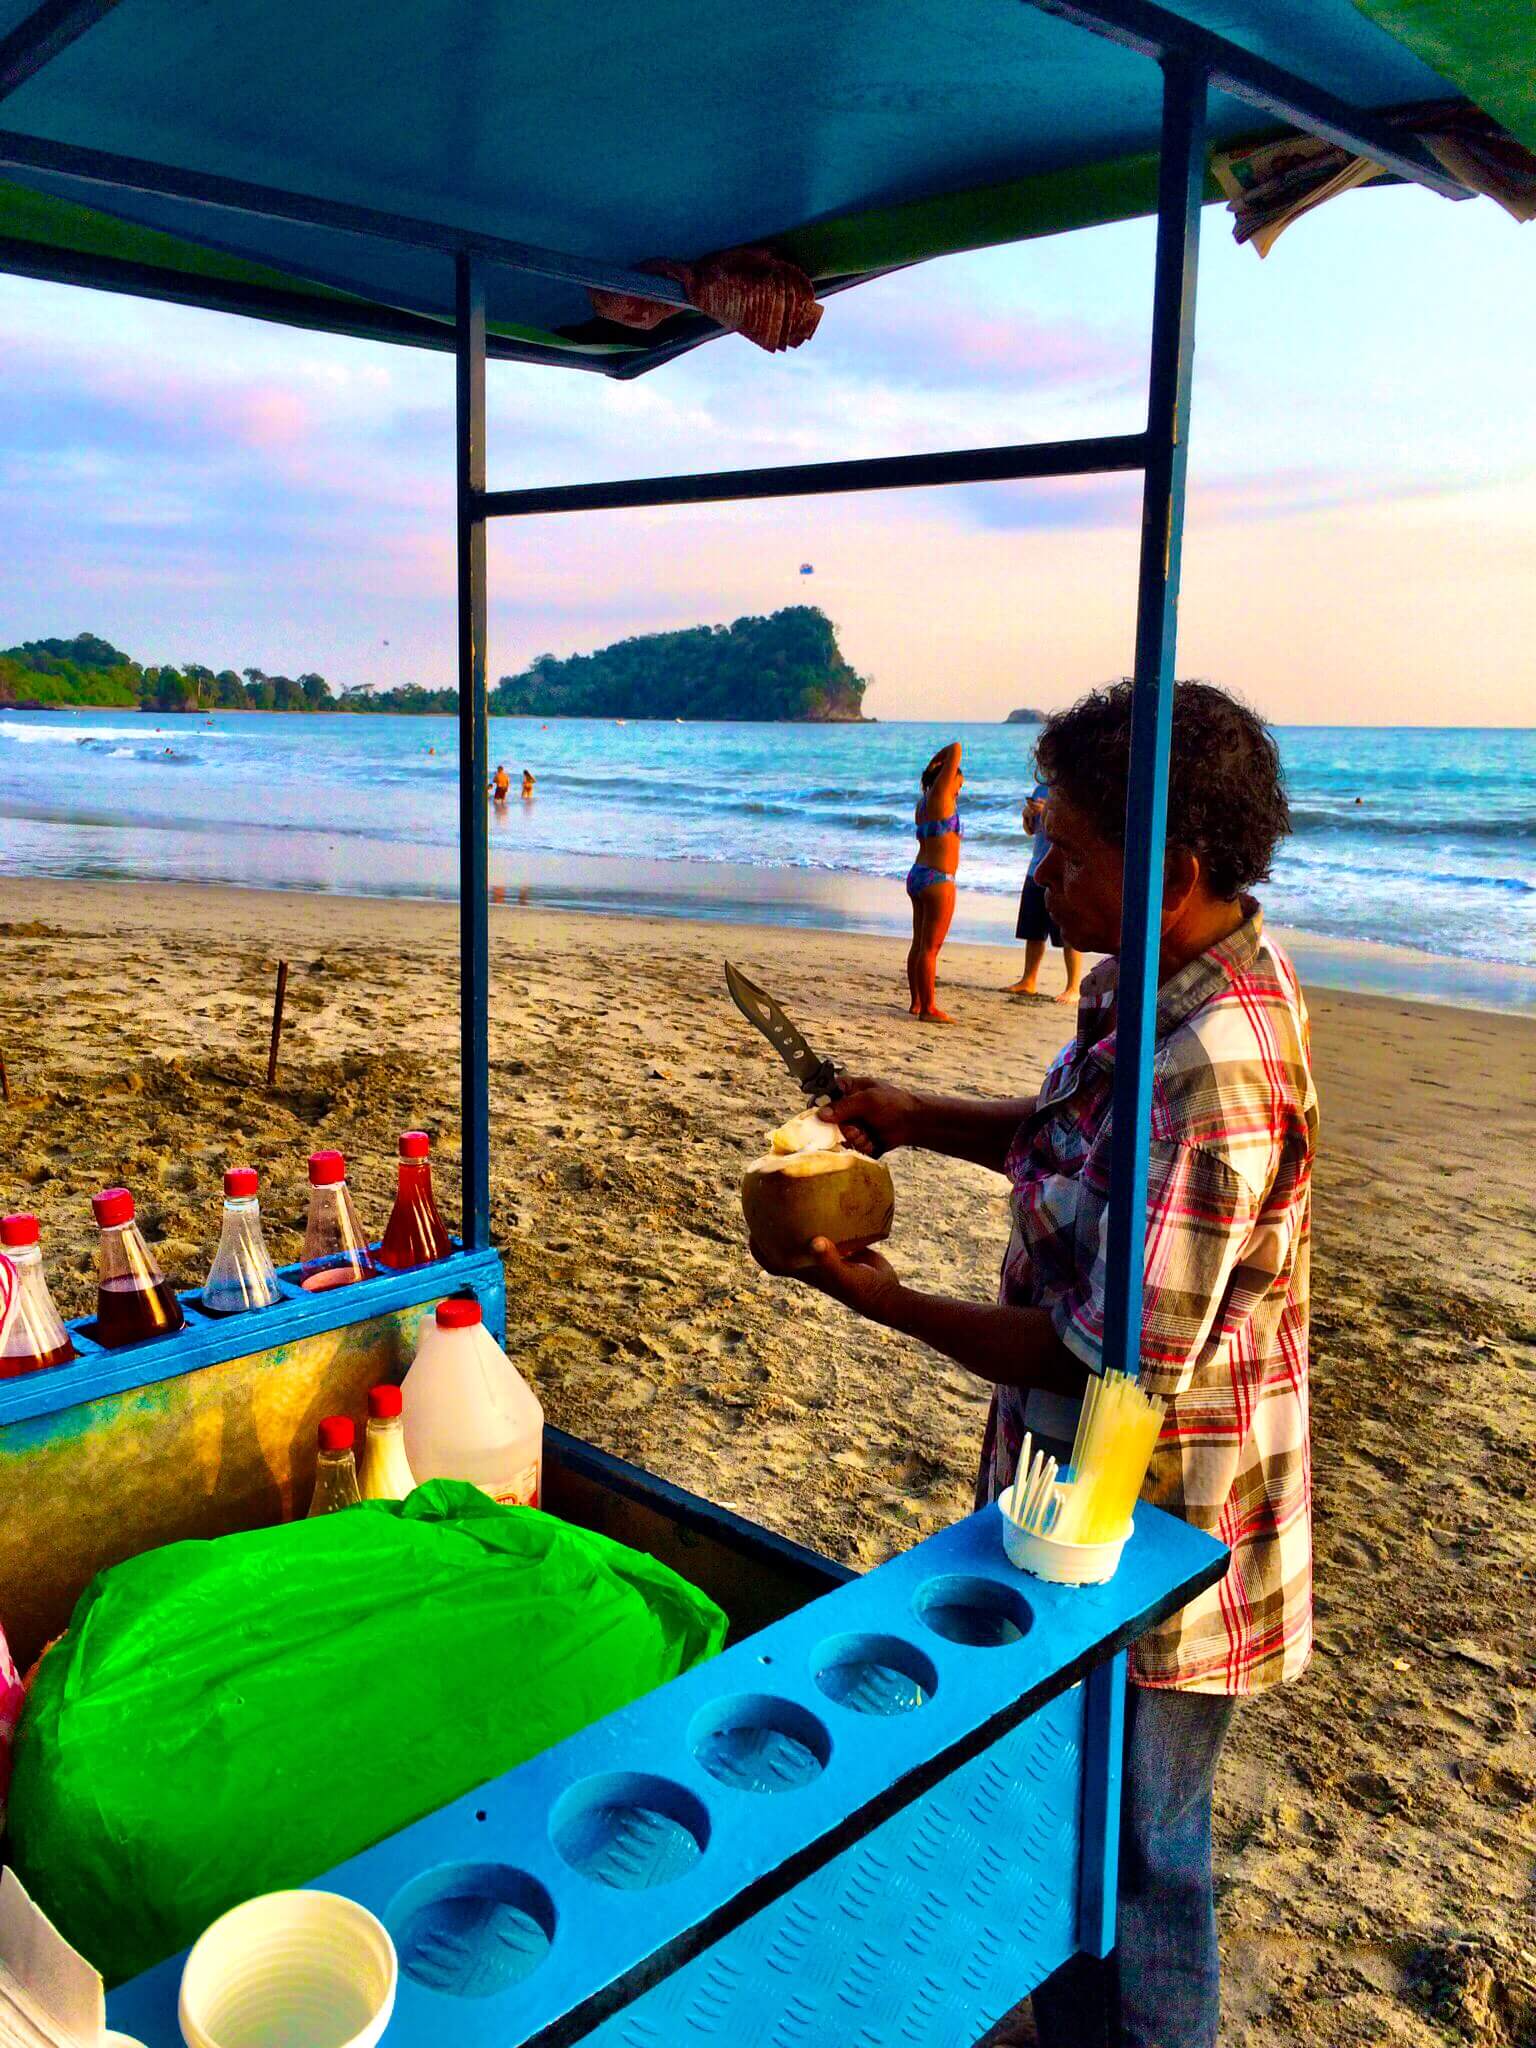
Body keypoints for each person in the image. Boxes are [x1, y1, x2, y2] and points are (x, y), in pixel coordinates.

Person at [755, 681, 1314, 2048]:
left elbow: (1107, 1360)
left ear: (1174, 872)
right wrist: (912, 1115)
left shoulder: (1217, 1068)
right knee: (1065, 1821)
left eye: (1065, 847)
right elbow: (1065, 1136)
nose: (1039, 873)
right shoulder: (1140, 984)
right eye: (1039, 832)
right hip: (1076, 1503)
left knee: (1144, 1857)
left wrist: (880, 1303)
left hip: (1164, 1526)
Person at [1006, 777, 1084, 1003]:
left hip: (1060, 868)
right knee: (1033, 929)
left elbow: (1073, 826)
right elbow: (1032, 831)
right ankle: (1028, 979)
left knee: (1067, 930)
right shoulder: (1041, 788)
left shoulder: (1069, 788)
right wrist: (1028, 817)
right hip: (1036, 866)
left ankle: (1073, 986)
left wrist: (1047, 811)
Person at [906, 739, 963, 1022]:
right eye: (958, 783)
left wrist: (931, 770)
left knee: (919, 943)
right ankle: (928, 1009)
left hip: (918, 875)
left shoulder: (923, 803)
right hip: (938, 880)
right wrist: (936, 763)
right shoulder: (941, 795)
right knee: (931, 948)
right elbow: (956, 747)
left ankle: (917, 1002)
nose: (959, 789)